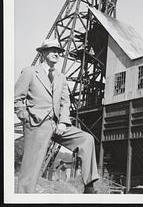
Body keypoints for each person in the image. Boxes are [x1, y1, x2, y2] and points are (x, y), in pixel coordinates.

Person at [14, 39, 99, 193]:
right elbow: (16, 98)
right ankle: (24, 198)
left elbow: (65, 103)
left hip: (57, 125)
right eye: (53, 50)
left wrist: (63, 122)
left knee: (87, 139)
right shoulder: (30, 72)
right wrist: (24, 115)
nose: (57, 54)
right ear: (43, 52)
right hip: (37, 124)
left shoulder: (61, 77)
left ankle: (89, 185)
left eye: (59, 51)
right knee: (30, 172)